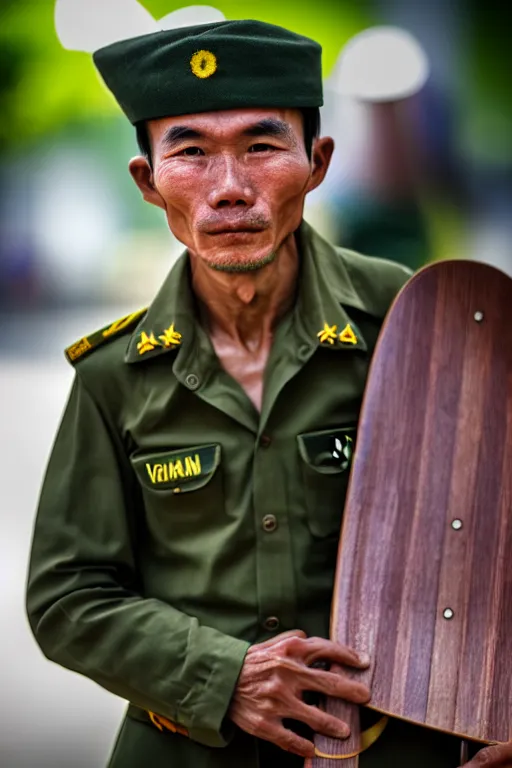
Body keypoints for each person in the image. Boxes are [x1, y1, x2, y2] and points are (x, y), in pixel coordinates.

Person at [26, 11, 511, 768]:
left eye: (261, 146)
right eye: (190, 152)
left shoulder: (424, 323)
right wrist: (227, 678)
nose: (229, 188)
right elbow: (68, 598)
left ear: (317, 162)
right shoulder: (112, 374)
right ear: (148, 182)